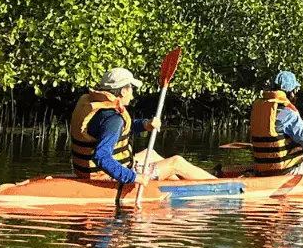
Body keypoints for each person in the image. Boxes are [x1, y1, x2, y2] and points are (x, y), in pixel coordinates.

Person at [70, 67, 215, 184]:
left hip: (87, 171)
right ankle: (221, 185)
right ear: (123, 91)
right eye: (131, 88)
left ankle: (174, 187)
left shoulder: (97, 108)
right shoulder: (113, 119)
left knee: (150, 154)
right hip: (104, 177)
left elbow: (114, 130)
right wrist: (134, 177)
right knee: (176, 162)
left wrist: (145, 124)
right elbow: (101, 157)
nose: (132, 94)